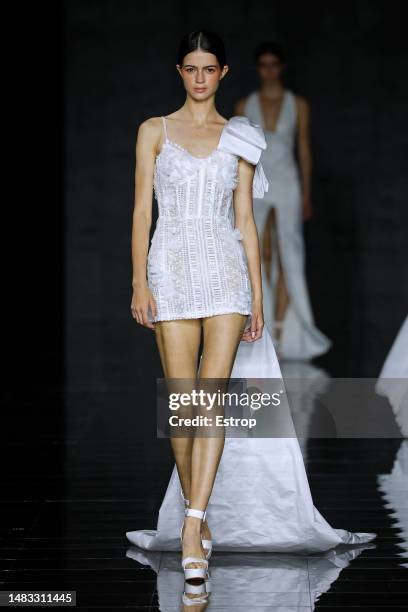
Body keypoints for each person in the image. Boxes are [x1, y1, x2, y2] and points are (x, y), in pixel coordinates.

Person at [128, 30, 375, 589]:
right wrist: (140, 279)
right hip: (170, 269)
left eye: (208, 69)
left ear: (223, 74)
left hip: (225, 276)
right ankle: (199, 510)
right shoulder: (153, 131)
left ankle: (193, 526)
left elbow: (244, 220)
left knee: (211, 400)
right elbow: (143, 210)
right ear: (179, 71)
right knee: (183, 401)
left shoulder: (240, 136)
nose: (198, 78)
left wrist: (257, 297)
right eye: (190, 68)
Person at [235, 41, 332, 360]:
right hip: (257, 183)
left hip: (288, 182)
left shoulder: (297, 104)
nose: (269, 70)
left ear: (282, 67)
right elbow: (238, 156)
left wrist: (306, 192)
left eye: (273, 64)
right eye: (263, 64)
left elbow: (303, 149)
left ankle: (279, 328)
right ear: (258, 68)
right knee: (259, 250)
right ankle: (260, 325)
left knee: (289, 253)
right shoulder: (244, 105)